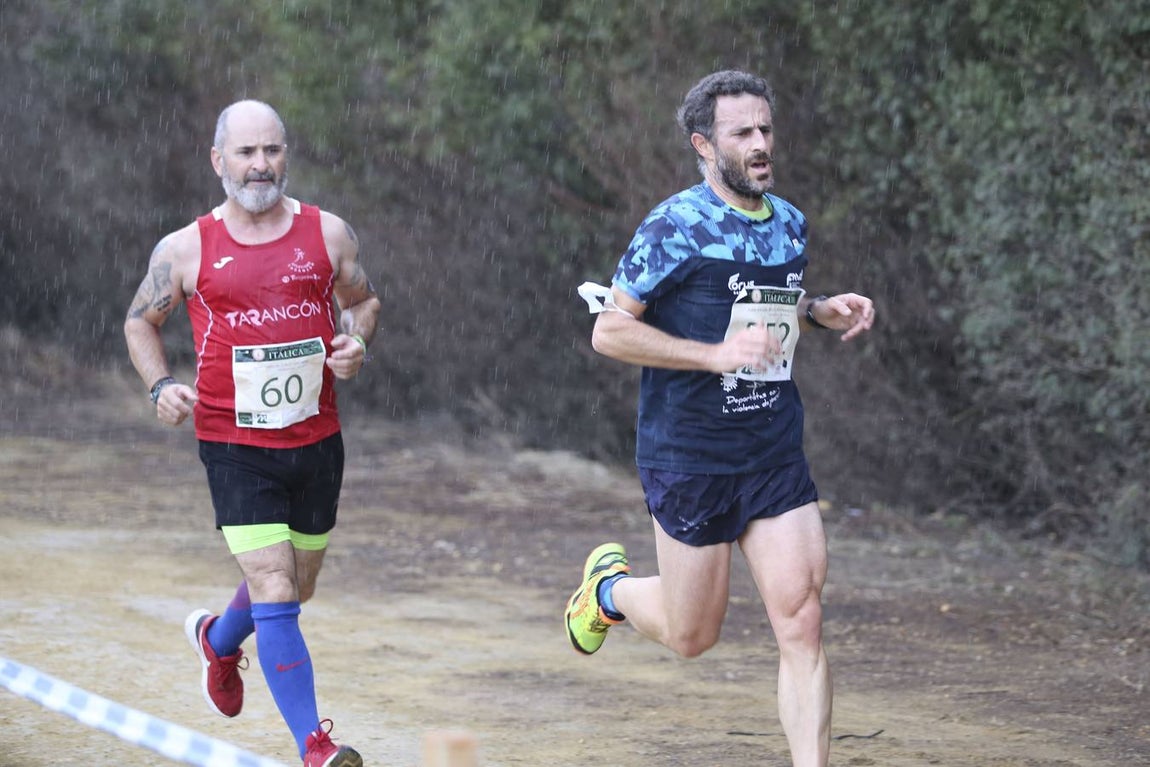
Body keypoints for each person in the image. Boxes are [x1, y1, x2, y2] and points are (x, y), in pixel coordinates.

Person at [565, 70, 875, 767]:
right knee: (692, 634)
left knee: (801, 619)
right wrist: (711, 355)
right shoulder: (673, 225)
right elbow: (610, 332)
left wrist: (818, 310)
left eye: (766, 129)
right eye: (743, 133)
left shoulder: (789, 222)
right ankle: (607, 593)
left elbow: (768, 303)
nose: (761, 144)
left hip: (771, 451)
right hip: (690, 454)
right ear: (705, 144)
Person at [124, 100, 380, 767]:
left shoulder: (329, 234)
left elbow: (363, 302)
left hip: (317, 438)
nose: (260, 164)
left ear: (285, 155)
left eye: (271, 150)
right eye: (245, 152)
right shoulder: (186, 248)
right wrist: (159, 387)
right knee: (274, 584)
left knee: (299, 583)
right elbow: (139, 322)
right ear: (218, 161)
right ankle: (315, 747)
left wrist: (355, 343)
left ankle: (217, 637)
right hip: (233, 443)